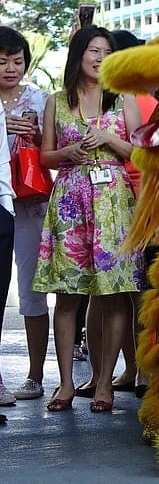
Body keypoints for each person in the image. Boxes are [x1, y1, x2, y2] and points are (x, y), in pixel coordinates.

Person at [33, 25, 144, 413]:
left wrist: (108, 139)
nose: (99, 58)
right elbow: (45, 157)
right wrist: (68, 153)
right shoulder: (55, 101)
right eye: (93, 50)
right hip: (69, 201)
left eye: (106, 52)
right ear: (79, 54)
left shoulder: (124, 99)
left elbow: (140, 153)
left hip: (114, 203)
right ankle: (64, 383)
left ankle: (104, 384)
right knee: (67, 296)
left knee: (114, 296)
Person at [0, 27, 51, 404]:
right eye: (2, 61)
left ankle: (35, 375)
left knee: (32, 287)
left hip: (31, 202)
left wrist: (35, 137)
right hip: (1, 199)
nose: (10, 69)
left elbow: (53, 146)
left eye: (17, 61)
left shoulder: (41, 99)